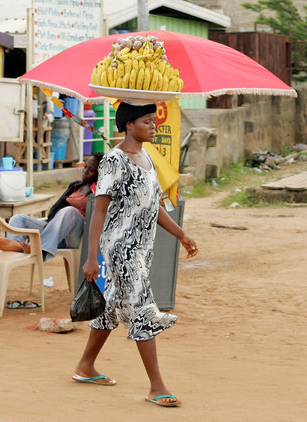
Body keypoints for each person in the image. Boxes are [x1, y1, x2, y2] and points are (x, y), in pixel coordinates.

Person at [72, 102, 198, 408]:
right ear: (129, 125)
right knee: (141, 308)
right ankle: (157, 386)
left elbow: (152, 205)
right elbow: (98, 210)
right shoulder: (114, 160)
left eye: (154, 121)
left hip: (141, 249)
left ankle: (85, 366)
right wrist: (92, 258)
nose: (153, 126)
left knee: (112, 307)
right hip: (120, 249)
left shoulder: (147, 158)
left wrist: (180, 234)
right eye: (147, 121)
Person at [0, 152, 104, 260]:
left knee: (69, 211)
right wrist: (51, 222)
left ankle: (37, 247)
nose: (85, 171)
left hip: (77, 236)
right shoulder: (75, 186)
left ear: (99, 172)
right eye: (85, 167)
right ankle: (16, 244)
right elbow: (57, 207)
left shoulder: (100, 191)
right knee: (19, 218)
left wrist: (102, 179)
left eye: (92, 170)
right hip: (55, 231)